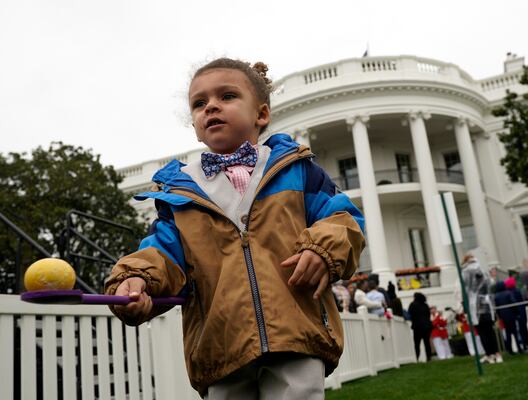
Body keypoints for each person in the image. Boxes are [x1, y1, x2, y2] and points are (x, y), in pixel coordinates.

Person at [104, 58, 366, 399]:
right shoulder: (180, 191)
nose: (211, 106)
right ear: (196, 125)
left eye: (227, 96)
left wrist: (322, 249)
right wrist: (136, 279)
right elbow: (162, 253)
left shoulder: (296, 170)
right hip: (220, 343)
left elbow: (344, 219)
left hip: (296, 331)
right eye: (199, 103)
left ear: (261, 115)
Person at [461, 253, 503, 363]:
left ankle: (490, 355)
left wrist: (465, 309)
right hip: (486, 304)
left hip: (474, 306)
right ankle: (497, 354)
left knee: (482, 332)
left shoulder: (466, 272)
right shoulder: (482, 270)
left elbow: (465, 292)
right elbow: (490, 286)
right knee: (490, 331)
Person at [504, 276, 528, 353]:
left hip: (516, 313)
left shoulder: (509, 293)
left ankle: (524, 345)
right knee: (524, 329)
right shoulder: (517, 291)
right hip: (522, 311)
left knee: (519, 330)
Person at [494, 281, 520, 354]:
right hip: (511, 314)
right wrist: (517, 312)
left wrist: (499, 316)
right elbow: (513, 302)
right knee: (515, 332)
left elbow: (497, 307)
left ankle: (510, 349)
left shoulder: (496, 296)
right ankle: (519, 347)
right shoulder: (508, 293)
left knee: (508, 333)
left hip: (503, 316)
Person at [408, 292, 433, 362]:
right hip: (427, 326)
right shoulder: (425, 305)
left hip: (417, 326)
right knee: (427, 343)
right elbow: (428, 315)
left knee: (417, 343)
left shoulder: (412, 305)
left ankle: (417, 357)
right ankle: (429, 357)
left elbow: (410, 314)